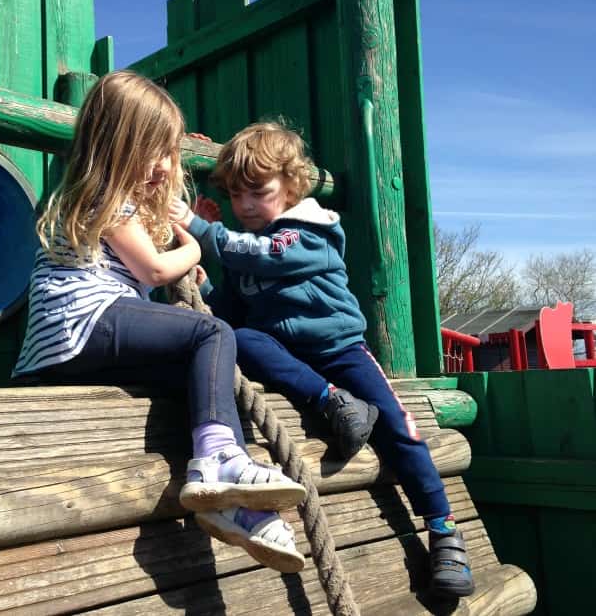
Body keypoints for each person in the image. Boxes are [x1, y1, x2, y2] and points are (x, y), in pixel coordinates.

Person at [12, 73, 306, 573]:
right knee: (212, 333)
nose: (167, 166)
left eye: (172, 153)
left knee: (199, 380)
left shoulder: (100, 201)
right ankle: (219, 461)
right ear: (117, 146)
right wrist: (190, 245)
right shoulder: (105, 193)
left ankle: (234, 507)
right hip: (81, 322)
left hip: (69, 344)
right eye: (156, 152)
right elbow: (151, 270)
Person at [171, 121, 475, 597]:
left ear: (291, 186)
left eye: (259, 192)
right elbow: (230, 310)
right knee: (238, 336)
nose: (245, 206)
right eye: (235, 195)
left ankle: (442, 526)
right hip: (293, 357)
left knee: (398, 425)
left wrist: (202, 228)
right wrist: (201, 274)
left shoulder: (308, 231)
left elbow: (267, 255)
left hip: (341, 350)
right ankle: (333, 402)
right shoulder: (244, 252)